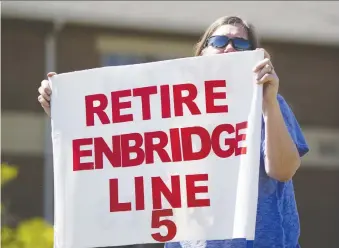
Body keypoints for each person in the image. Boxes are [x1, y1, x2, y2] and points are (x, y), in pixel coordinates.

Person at [38, 16, 309, 248]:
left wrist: (269, 103)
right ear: (201, 52)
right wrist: (68, 114)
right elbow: (114, 151)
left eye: (241, 44)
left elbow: (283, 170)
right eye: (218, 42)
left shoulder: (268, 102)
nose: (229, 48)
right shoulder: (168, 110)